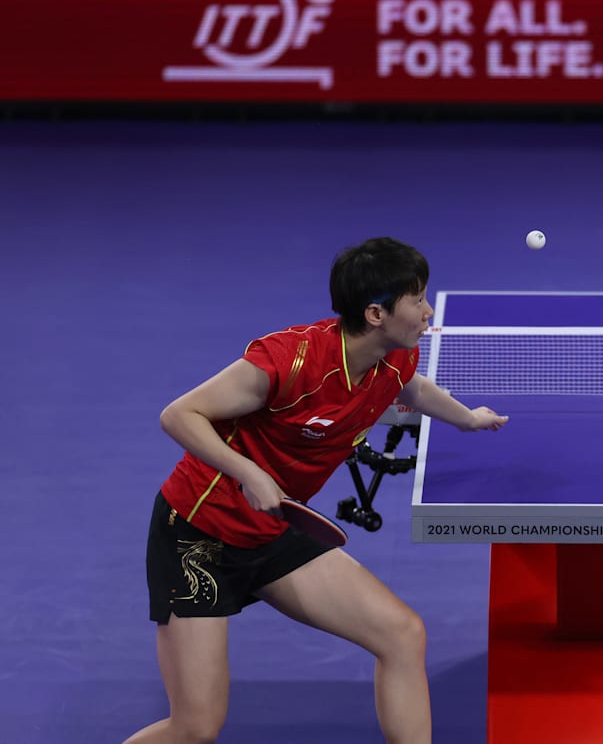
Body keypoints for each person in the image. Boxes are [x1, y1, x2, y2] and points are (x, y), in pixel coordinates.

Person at [125, 237, 508, 744]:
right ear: (376, 314)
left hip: (272, 526)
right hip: (200, 535)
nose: (427, 311)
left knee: (402, 633)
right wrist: (248, 472)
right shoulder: (290, 361)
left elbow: (412, 388)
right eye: (417, 299)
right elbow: (179, 414)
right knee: (195, 726)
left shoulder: (395, 358)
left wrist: (466, 419)